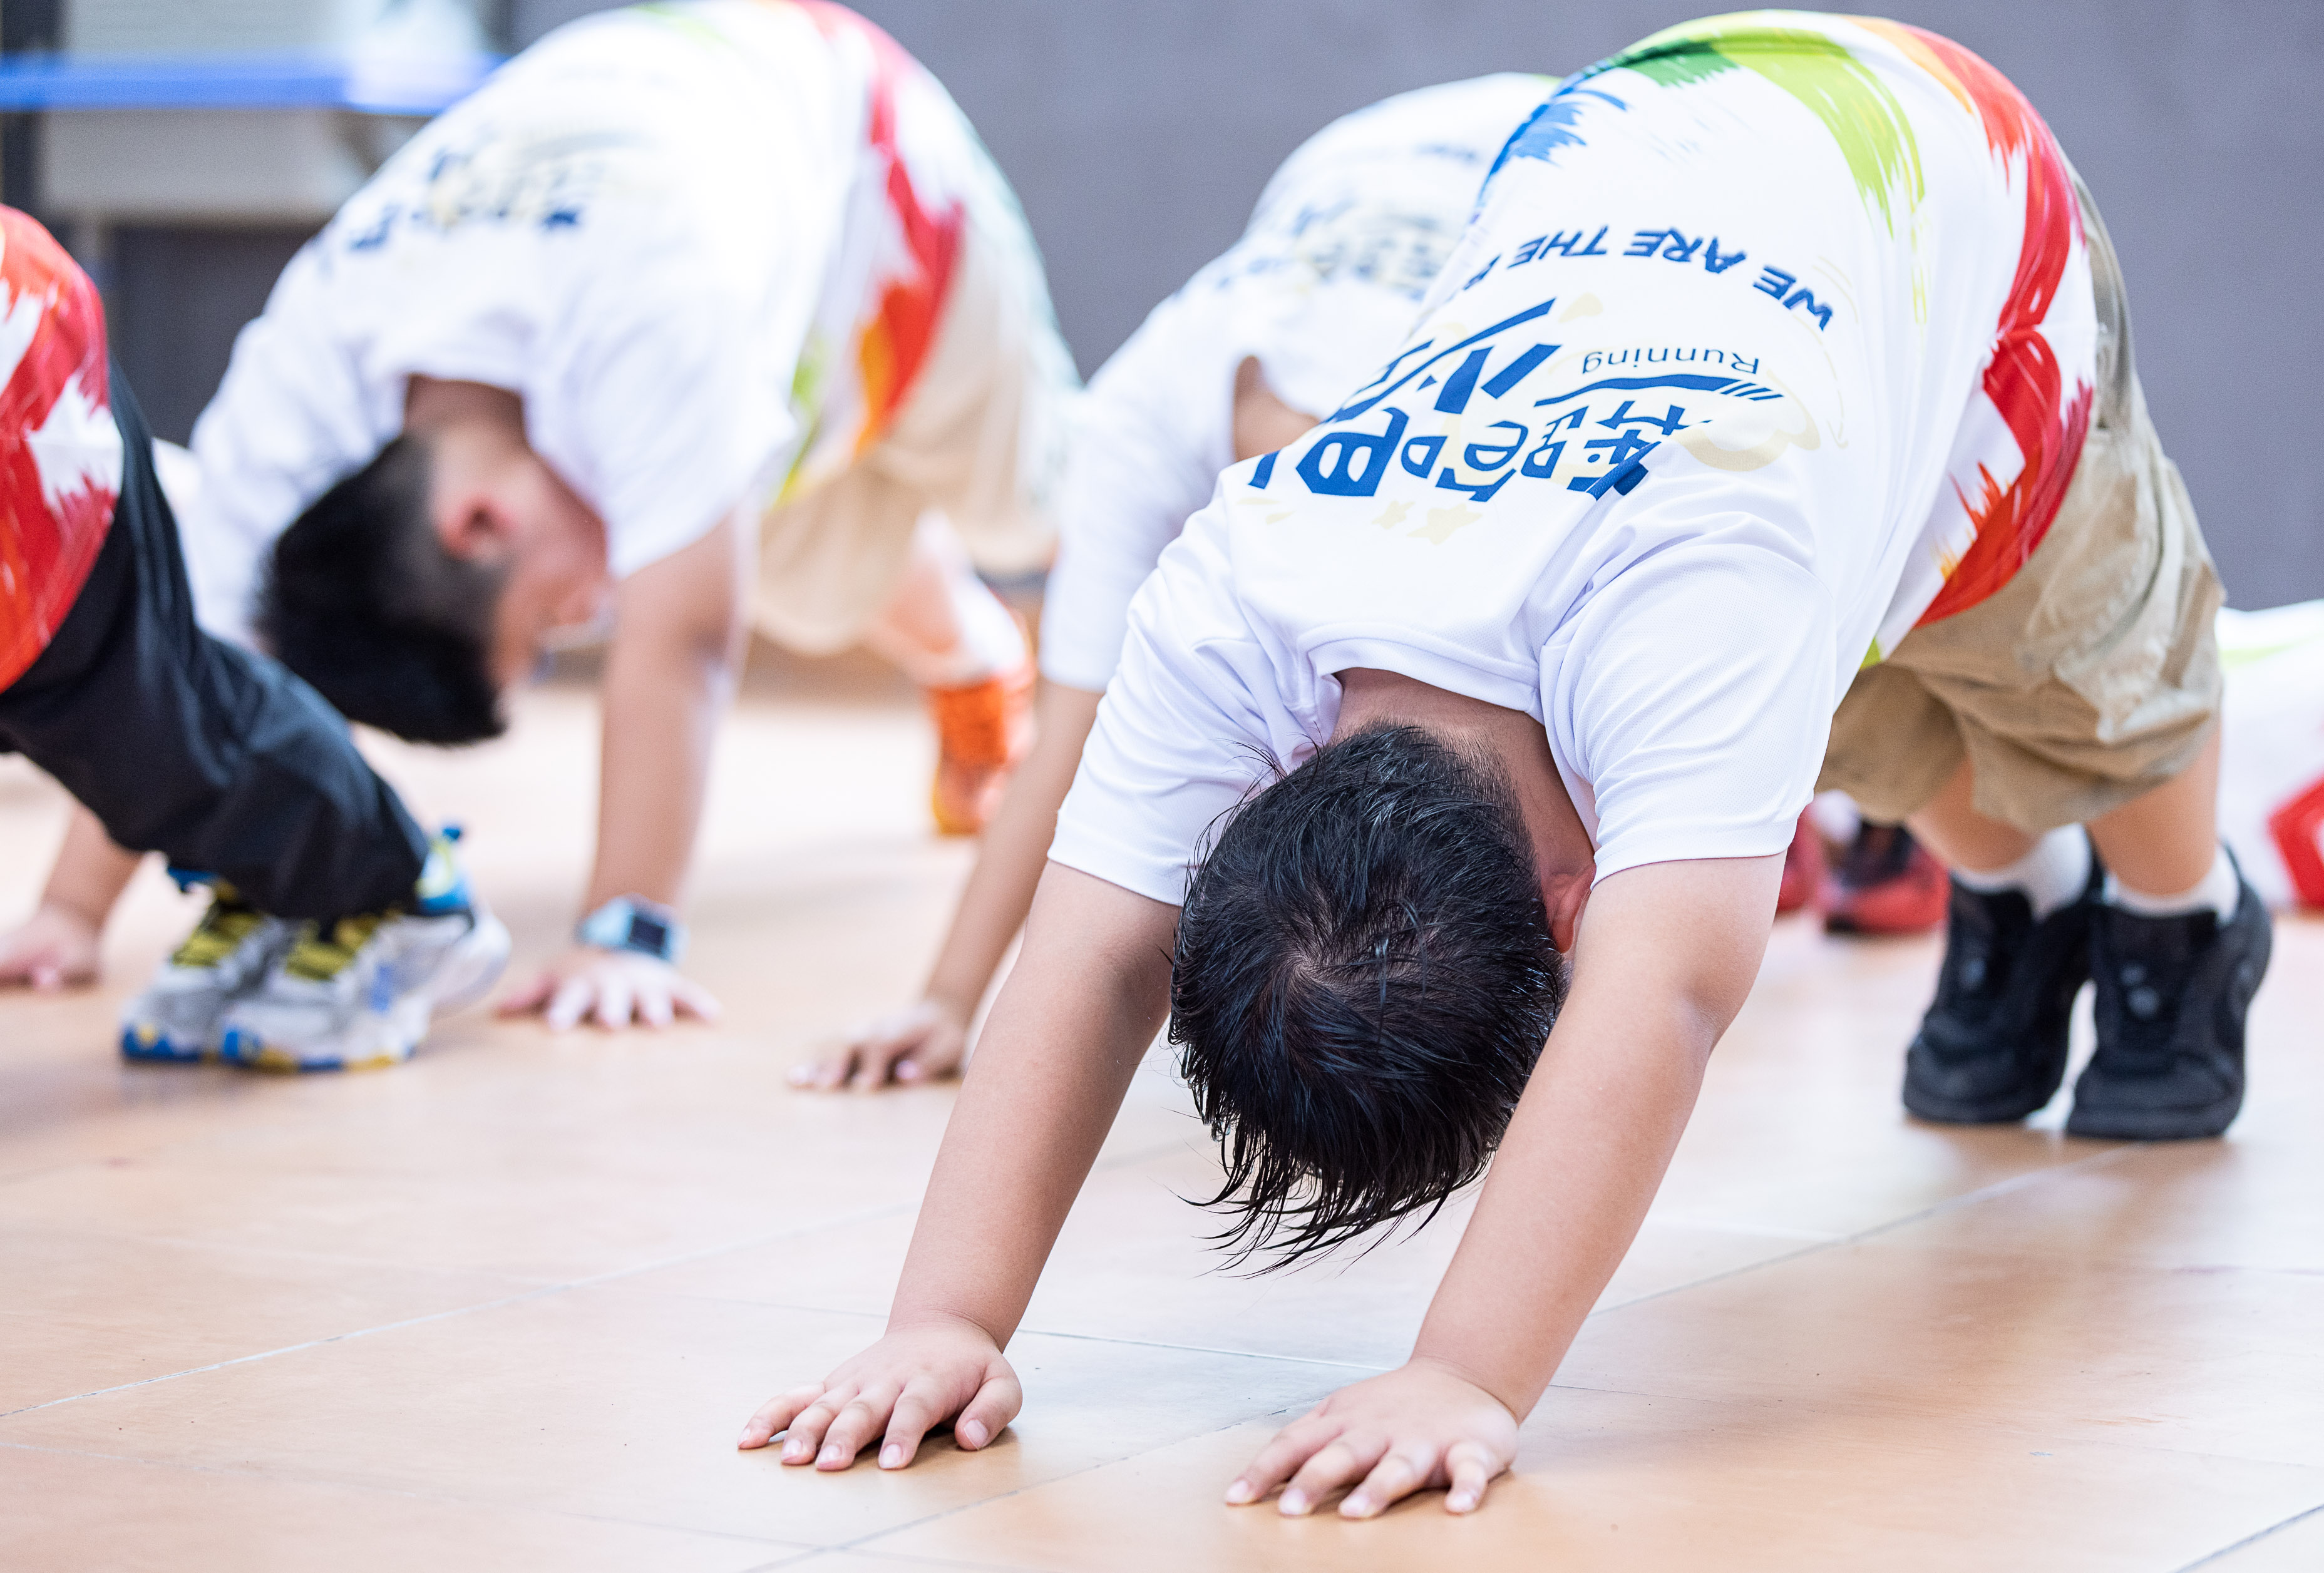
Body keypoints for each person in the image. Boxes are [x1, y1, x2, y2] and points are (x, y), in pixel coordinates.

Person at [737, 14, 2270, 1521]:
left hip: (1928, 167)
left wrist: (1467, 1368)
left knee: (2080, 667)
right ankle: (2016, 899)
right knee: (1845, 713)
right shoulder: (1240, 587)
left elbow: (1663, 992)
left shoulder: (1698, 577)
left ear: (1564, 911)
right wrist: (947, 1316)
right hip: (1631, 180)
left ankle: (2181, 924)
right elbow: (1097, 949)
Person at [0, 0, 1072, 1032]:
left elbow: (684, 647)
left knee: (1035, 511)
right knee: (803, 565)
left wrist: (626, 931)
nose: (585, 615)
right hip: (688, 201)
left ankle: (1026, 612)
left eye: (547, 624)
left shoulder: (650, 319)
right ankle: (976, 659)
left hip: (864, 159)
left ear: (478, 523)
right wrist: (72, 911)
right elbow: (180, 658)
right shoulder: (303, 376)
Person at [797, 72, 1564, 1089]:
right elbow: (1069, 734)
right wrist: (947, 997)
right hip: (1357, 164)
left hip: (1561, 161)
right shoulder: (1132, 436)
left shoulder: (1483, 441)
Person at [0, 206, 505, 1071]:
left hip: (22, 412)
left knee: (150, 727)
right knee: (141, 719)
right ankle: (305, 876)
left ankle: (398, 892)